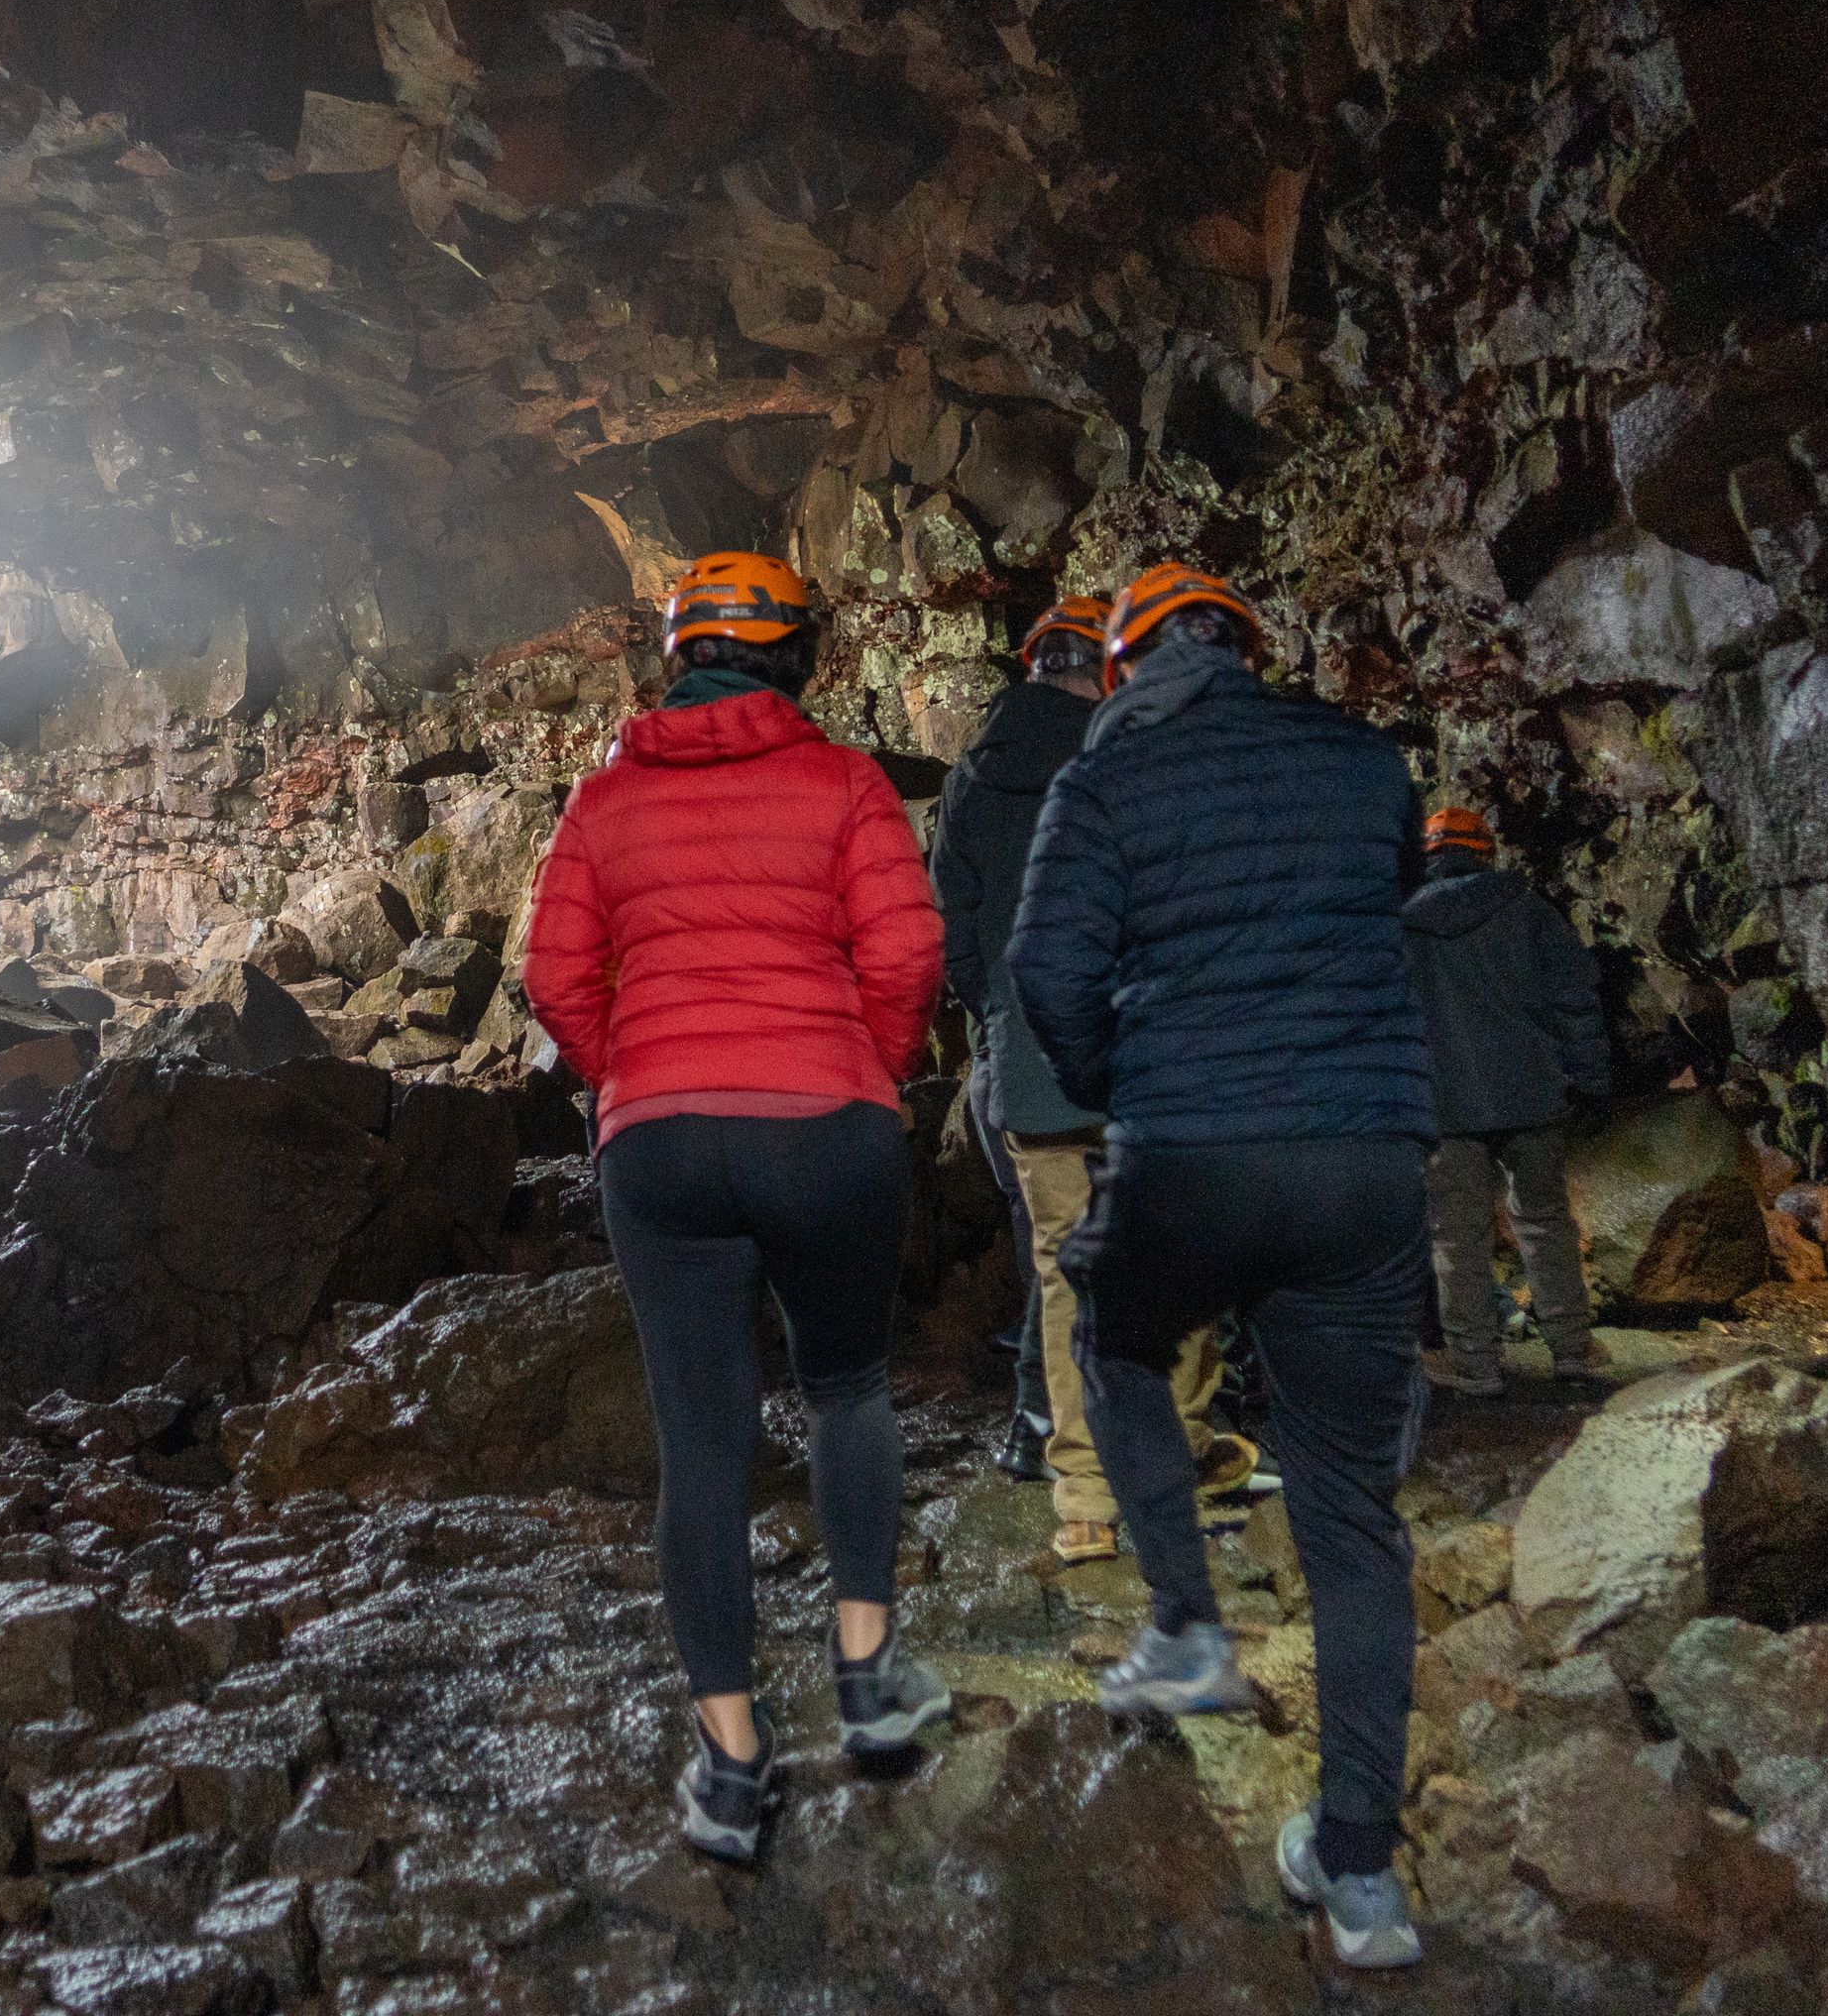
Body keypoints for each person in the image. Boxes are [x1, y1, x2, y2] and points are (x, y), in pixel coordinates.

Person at [1005, 563, 1436, 1970]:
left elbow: (1048, 972)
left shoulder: (1106, 781)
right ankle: (1364, 1880)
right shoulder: (1365, 762)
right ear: (1248, 651)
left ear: (1123, 671)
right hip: (1364, 1162)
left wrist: (1129, 1080)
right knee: (1352, 1514)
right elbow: (1392, 915)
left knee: (1115, 1336)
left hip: (1191, 1148)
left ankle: (1188, 1622)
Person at [525, 549, 951, 1865]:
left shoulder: (603, 801)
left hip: (663, 1143)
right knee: (848, 1387)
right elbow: (910, 951)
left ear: (678, 657)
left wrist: (627, 1079)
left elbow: (552, 976)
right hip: (826, 1123)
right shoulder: (842, 781)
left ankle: (729, 1761)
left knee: (701, 1444)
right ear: (795, 656)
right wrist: (867, 1067)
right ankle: (870, 1683)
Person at [932, 596, 1267, 1560]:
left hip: (1032, 1068)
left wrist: (997, 1014)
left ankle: (1084, 1506)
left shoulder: (972, 779)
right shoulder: (1137, 756)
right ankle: (1182, 1464)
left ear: (1033, 664)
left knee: (1067, 1281)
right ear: (1107, 668)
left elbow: (951, 926)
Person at [1404, 808, 1614, 1395]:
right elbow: (1576, 1001)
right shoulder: (1530, 913)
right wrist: (1589, 1079)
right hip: (1534, 1097)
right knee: (1545, 1221)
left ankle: (1476, 1365)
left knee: (1456, 1238)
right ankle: (1573, 1350)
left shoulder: (1400, 927)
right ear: (1486, 852)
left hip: (1445, 1108)